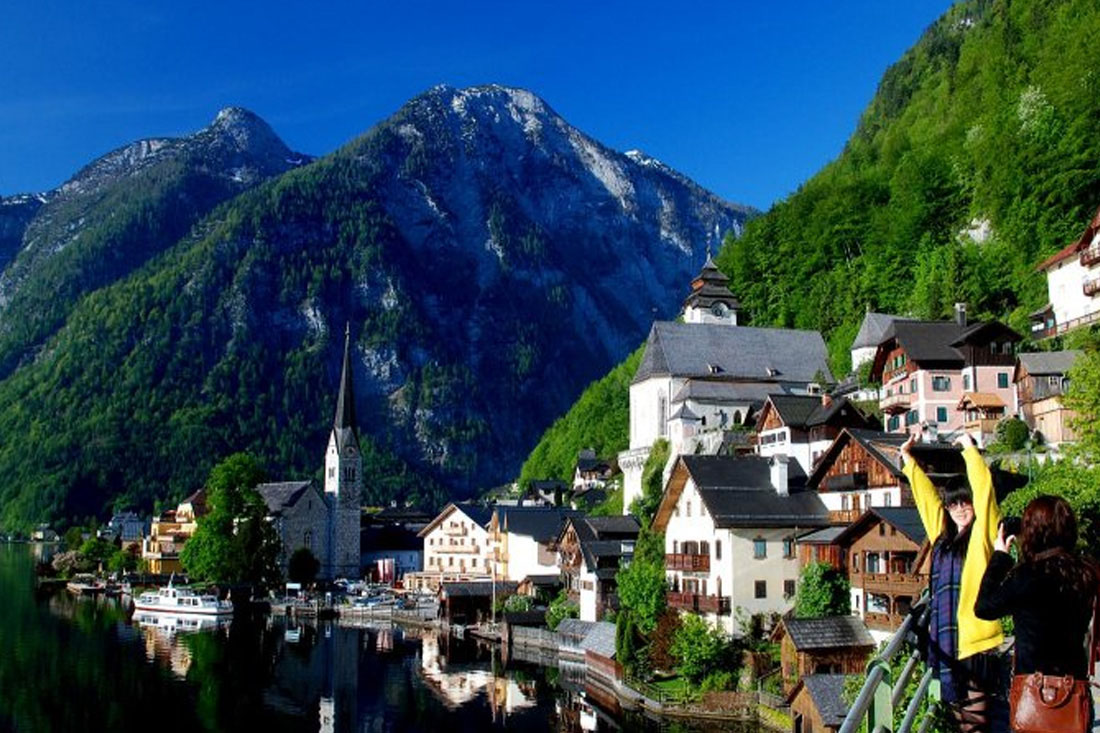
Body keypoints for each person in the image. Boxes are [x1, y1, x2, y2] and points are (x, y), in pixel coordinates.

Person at [902, 431, 1004, 733]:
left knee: (976, 723)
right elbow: (926, 501)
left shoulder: (982, 536)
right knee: (961, 722)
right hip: (947, 642)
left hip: (974, 643)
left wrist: (970, 452)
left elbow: (985, 494)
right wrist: (908, 459)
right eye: (953, 504)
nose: (959, 509)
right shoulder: (942, 540)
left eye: (965, 502)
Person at [975, 495, 1098, 721]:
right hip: (1074, 691)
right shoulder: (1086, 573)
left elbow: (983, 607)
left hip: (1033, 694)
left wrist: (1000, 557)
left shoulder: (1026, 577)